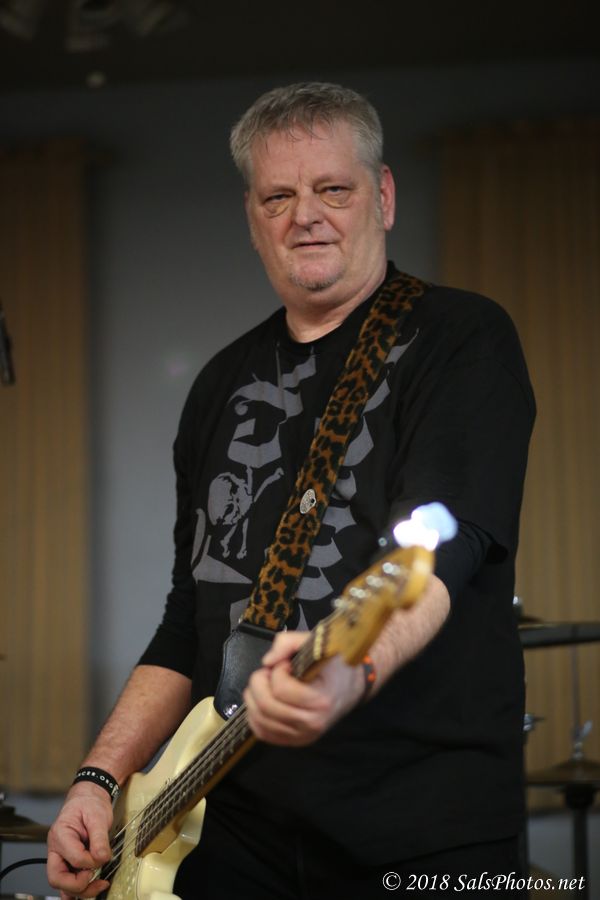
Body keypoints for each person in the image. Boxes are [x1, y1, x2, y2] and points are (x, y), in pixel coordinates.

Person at [47, 82, 535, 899]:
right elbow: (188, 619)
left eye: (332, 189)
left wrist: (351, 674)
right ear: (253, 217)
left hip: (426, 829)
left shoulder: (460, 339)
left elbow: (441, 555)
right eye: (278, 196)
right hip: (233, 830)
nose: (305, 215)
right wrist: (98, 778)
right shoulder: (218, 384)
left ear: (382, 197)